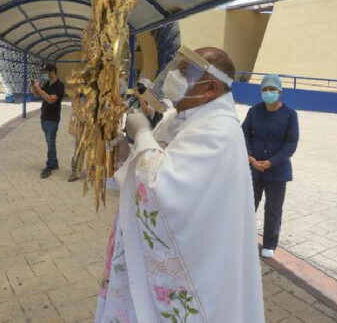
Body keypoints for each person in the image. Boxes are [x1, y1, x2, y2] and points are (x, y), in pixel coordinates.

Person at [95, 46, 264, 322]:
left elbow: (160, 186)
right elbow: (146, 164)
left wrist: (142, 134)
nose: (173, 76)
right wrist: (123, 147)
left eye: (184, 72)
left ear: (210, 88)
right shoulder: (178, 117)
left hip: (196, 261)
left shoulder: (219, 130)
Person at [242, 74, 299, 258]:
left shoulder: (290, 115)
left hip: (277, 171)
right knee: (248, 206)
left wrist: (271, 162)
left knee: (273, 209)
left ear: (280, 92)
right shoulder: (254, 112)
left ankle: (269, 244)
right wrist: (250, 158)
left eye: (272, 89)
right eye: (265, 89)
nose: (268, 92)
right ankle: (243, 240)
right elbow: (243, 135)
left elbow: (291, 144)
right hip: (254, 169)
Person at [31, 63, 65, 178]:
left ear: (52, 72)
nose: (44, 74)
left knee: (50, 142)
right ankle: (54, 162)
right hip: (44, 117)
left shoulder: (59, 85)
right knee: (49, 142)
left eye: (45, 72)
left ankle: (50, 165)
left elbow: (50, 99)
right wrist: (34, 87)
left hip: (52, 118)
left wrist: (40, 89)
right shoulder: (47, 84)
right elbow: (37, 95)